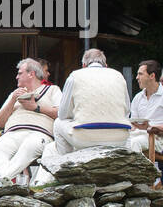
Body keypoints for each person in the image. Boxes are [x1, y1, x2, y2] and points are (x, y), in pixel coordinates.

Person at [34, 48, 132, 185]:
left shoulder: (75, 76)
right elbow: (127, 111)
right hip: (119, 137)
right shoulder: (118, 76)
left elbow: (63, 114)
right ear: (106, 65)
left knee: (58, 123)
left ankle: (67, 171)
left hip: (86, 136)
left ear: (84, 65)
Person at [0, 58, 60, 185]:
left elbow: (61, 113)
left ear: (31, 74)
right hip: (12, 133)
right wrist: (12, 100)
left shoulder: (52, 90)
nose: (16, 77)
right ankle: (4, 179)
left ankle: (0, 178)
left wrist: (36, 107)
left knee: (30, 145)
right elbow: (1, 122)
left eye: (20, 73)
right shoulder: (14, 94)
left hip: (39, 133)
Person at [128, 59, 163, 157]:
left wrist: (150, 127)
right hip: (136, 135)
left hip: (155, 138)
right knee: (118, 144)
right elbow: (133, 123)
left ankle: (134, 172)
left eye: (140, 74)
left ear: (152, 76)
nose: (137, 77)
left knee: (134, 143)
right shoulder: (138, 97)